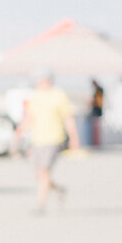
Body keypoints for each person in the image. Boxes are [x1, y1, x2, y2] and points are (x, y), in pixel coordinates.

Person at [22, 70, 80, 213]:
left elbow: (68, 117)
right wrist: (18, 133)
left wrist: (74, 138)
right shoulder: (35, 96)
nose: (37, 82)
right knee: (40, 175)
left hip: (54, 139)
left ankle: (40, 205)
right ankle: (59, 190)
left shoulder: (59, 95)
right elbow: (30, 118)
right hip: (37, 140)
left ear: (47, 80)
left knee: (45, 171)